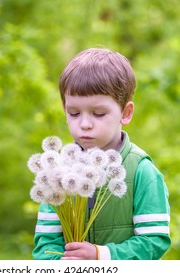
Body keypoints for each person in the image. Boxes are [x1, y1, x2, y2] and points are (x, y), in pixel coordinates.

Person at [32, 48, 171, 260]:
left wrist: (101, 256)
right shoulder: (57, 174)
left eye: (98, 114)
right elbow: (45, 245)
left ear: (126, 113)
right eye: (74, 113)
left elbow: (154, 241)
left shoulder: (142, 171)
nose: (85, 124)